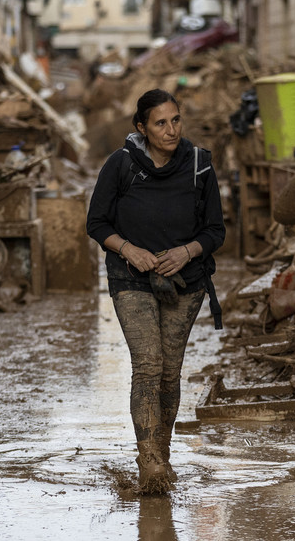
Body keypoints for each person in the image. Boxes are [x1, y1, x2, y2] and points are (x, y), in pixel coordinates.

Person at [86, 89, 225, 493]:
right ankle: (148, 462)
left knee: (169, 372)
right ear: (141, 128)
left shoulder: (200, 165)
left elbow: (215, 230)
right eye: (160, 123)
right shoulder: (121, 165)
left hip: (187, 280)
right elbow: (96, 224)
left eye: (176, 120)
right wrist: (130, 250)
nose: (171, 130)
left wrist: (186, 252)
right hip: (131, 278)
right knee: (148, 365)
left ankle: (162, 456)